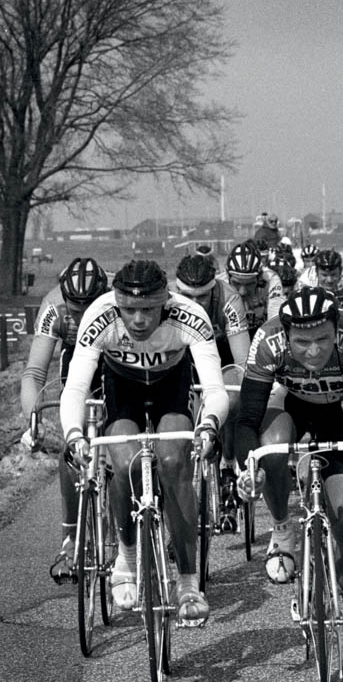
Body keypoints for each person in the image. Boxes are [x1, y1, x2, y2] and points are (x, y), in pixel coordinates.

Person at [59, 259, 229, 626]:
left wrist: (209, 425)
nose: (138, 320)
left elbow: (215, 389)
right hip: (123, 387)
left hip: (172, 385)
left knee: (173, 462)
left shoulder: (189, 314)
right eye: (130, 310)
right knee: (123, 464)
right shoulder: (100, 314)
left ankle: (187, 581)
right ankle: (126, 558)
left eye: (148, 310)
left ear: (165, 301)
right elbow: (74, 386)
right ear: (116, 303)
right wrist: (74, 434)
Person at [235, 286, 343, 677]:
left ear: (336, 331)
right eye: (302, 342)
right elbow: (248, 419)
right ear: (286, 336)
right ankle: (283, 530)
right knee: (268, 452)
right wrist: (246, 469)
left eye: (323, 339)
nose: (313, 350)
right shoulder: (267, 339)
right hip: (290, 403)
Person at [20, 257, 108, 583]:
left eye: (90, 306)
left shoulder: (117, 302)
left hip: (112, 353)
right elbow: (34, 372)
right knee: (73, 448)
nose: (83, 314)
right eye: (76, 308)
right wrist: (34, 421)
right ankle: (70, 539)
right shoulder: (54, 306)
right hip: (76, 360)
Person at [173, 253, 251, 526]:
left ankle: (228, 465)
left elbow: (242, 364)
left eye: (202, 298)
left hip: (223, 352)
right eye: (187, 297)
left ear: (213, 290)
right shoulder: (169, 300)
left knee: (231, 395)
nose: (193, 304)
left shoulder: (230, 300)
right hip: (186, 353)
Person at [222, 239, 284, 339]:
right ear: (228, 275)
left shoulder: (270, 279)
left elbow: (275, 320)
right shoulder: (220, 284)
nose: (242, 291)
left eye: (250, 284)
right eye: (236, 283)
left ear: (259, 277)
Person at [298, 248, 343, 322]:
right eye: (324, 275)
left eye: (333, 274)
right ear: (316, 273)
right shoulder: (306, 278)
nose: (329, 280)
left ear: (340, 271)